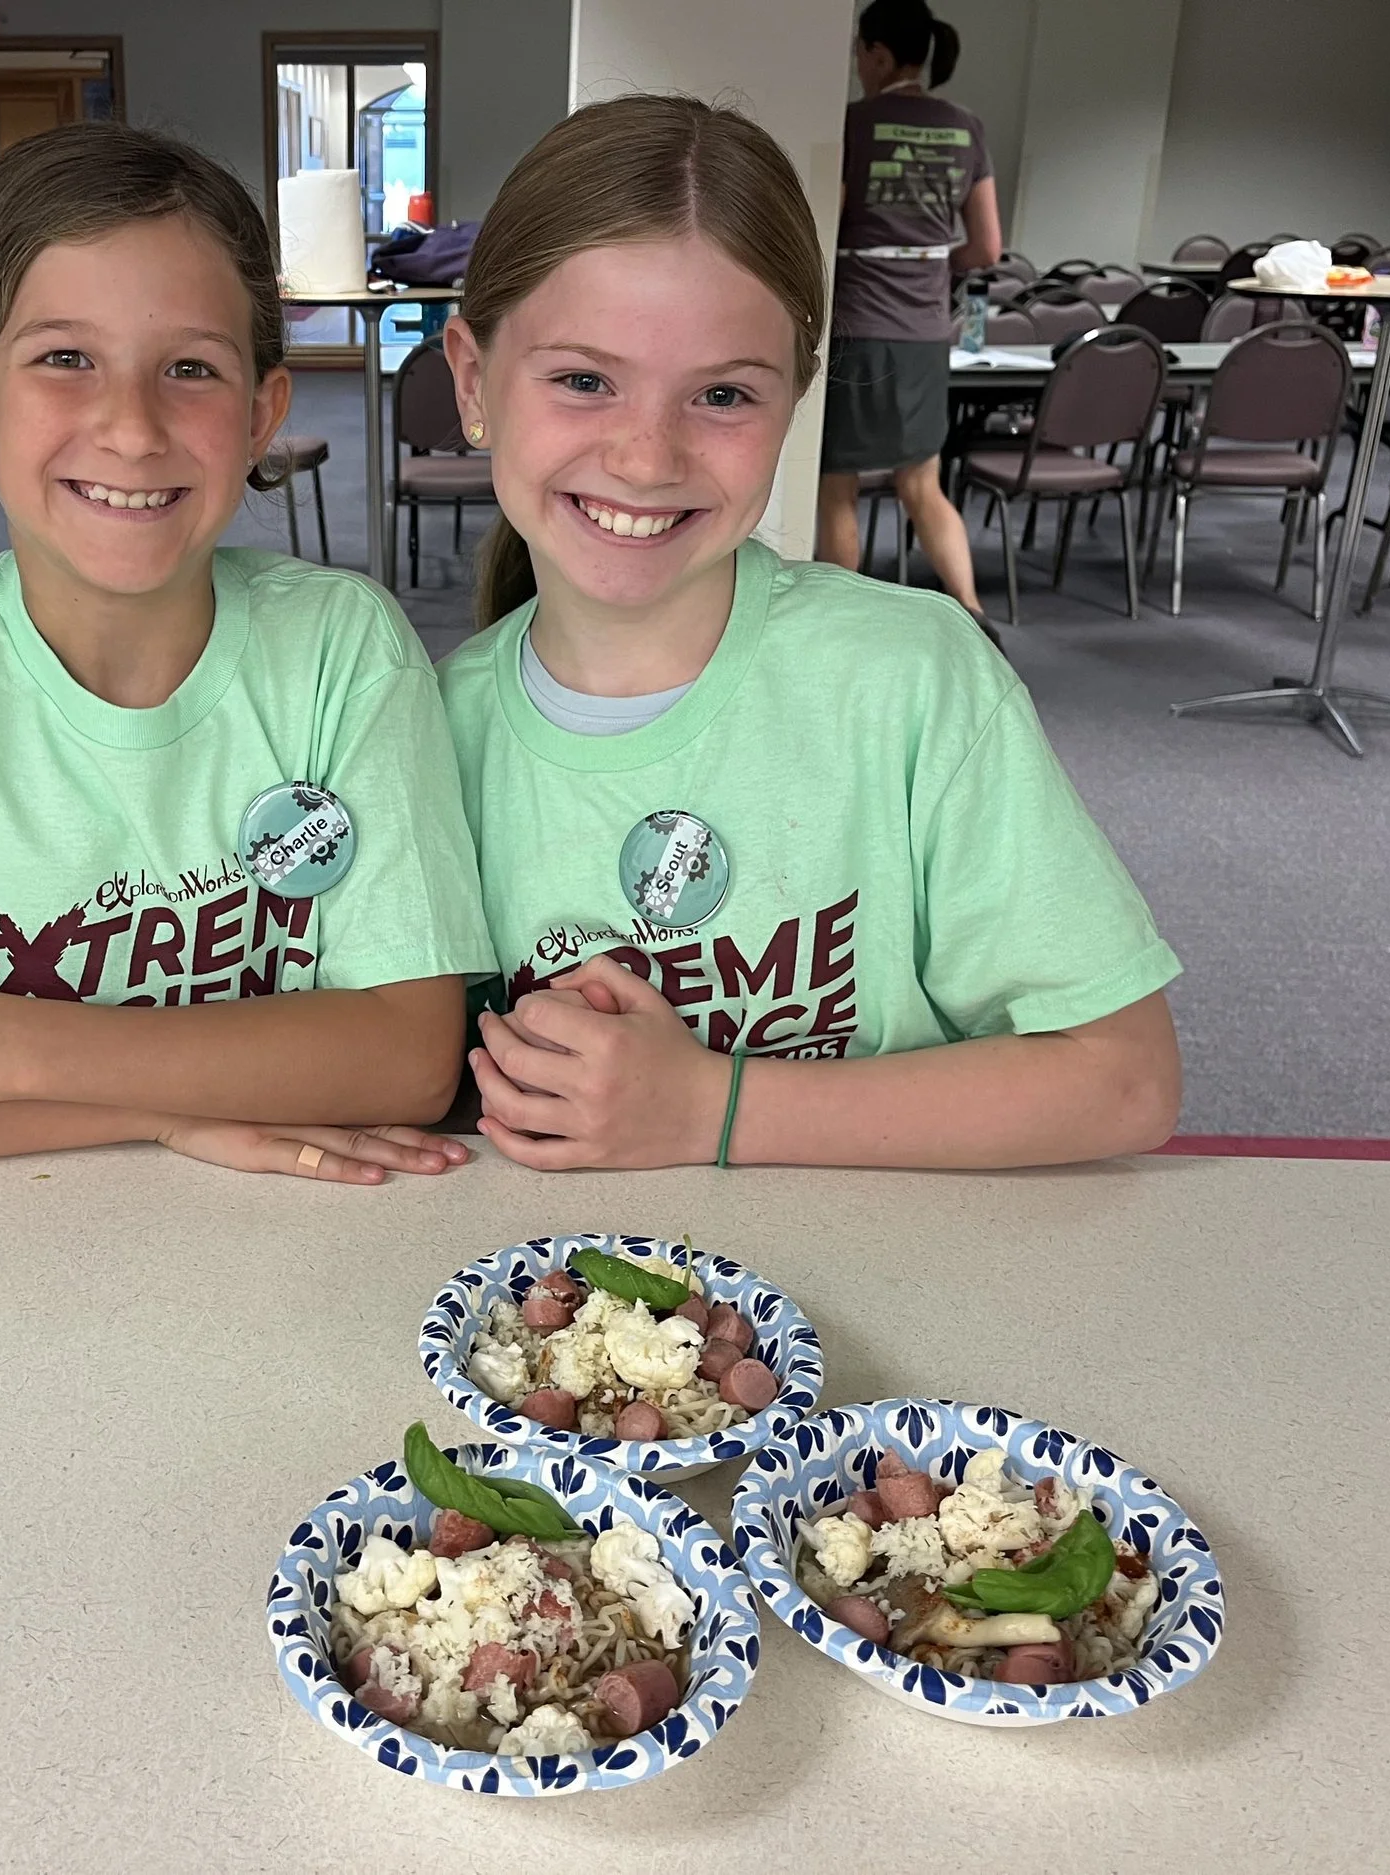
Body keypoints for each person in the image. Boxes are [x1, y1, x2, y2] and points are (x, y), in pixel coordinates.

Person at [0, 122, 493, 1181]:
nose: (130, 427)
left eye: (190, 369)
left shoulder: (340, 647)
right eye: (66, 358)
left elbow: (405, 1057)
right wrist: (160, 1115)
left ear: (259, 414)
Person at [437, 95, 1181, 1172]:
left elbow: (1123, 1078)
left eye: (723, 394)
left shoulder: (909, 682)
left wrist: (709, 1109)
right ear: (473, 380)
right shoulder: (424, 733)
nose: (647, 459)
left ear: (794, 402)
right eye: (584, 380)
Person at [814, 0, 999, 621]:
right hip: (926, 333)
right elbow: (987, 247)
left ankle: (841, 622)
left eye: (859, 55)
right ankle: (972, 614)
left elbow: (827, 226)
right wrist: (930, 262)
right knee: (922, 484)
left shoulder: (856, 125)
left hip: (858, 329)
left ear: (880, 55)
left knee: (836, 484)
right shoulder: (965, 126)